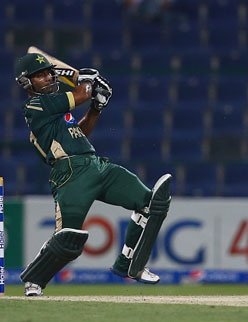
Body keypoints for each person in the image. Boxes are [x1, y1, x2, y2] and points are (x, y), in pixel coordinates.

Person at [14, 53, 172, 296]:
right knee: (68, 240)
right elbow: (81, 93)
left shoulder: (57, 111)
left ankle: (129, 264)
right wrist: (89, 81)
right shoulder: (36, 106)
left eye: (48, 72)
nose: (47, 77)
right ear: (27, 83)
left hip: (95, 164)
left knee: (151, 204)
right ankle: (34, 280)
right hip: (69, 173)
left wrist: (97, 107)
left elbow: (80, 132)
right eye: (39, 75)